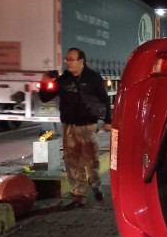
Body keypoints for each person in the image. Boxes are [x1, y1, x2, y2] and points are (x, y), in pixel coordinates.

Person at [39, 48, 112, 208]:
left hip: (87, 127)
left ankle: (95, 185)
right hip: (69, 127)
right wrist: (43, 83)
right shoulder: (64, 80)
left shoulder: (93, 78)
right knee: (72, 161)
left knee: (90, 160)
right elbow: (45, 98)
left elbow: (105, 100)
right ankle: (79, 195)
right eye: (67, 60)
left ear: (81, 61)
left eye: (71, 59)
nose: (68, 62)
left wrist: (108, 121)